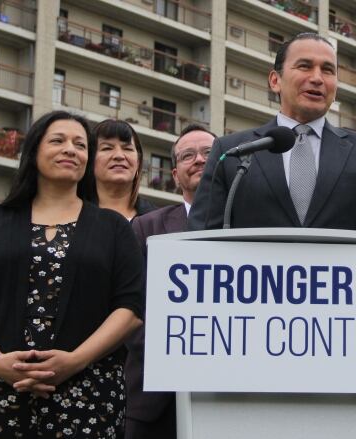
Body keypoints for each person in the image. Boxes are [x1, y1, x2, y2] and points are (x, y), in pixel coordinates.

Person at [0, 110, 144, 438]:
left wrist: (74, 361)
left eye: (80, 145)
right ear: (33, 151)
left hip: (87, 393)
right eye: (58, 140)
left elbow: (131, 308)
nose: (70, 149)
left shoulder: (114, 228)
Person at [187, 32, 356, 234]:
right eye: (305, 66)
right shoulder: (231, 152)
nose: (317, 78)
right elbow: (201, 238)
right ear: (275, 80)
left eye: (327, 70)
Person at [124, 123, 216, 439]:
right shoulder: (145, 228)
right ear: (175, 175)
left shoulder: (253, 227)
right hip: (154, 400)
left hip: (230, 399)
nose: (200, 160)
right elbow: (130, 310)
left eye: (209, 152)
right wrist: (178, 356)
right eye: (188, 155)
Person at [94, 119, 155, 219]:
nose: (119, 156)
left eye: (127, 149)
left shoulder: (158, 221)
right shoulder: (73, 214)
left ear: (138, 162)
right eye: (107, 148)